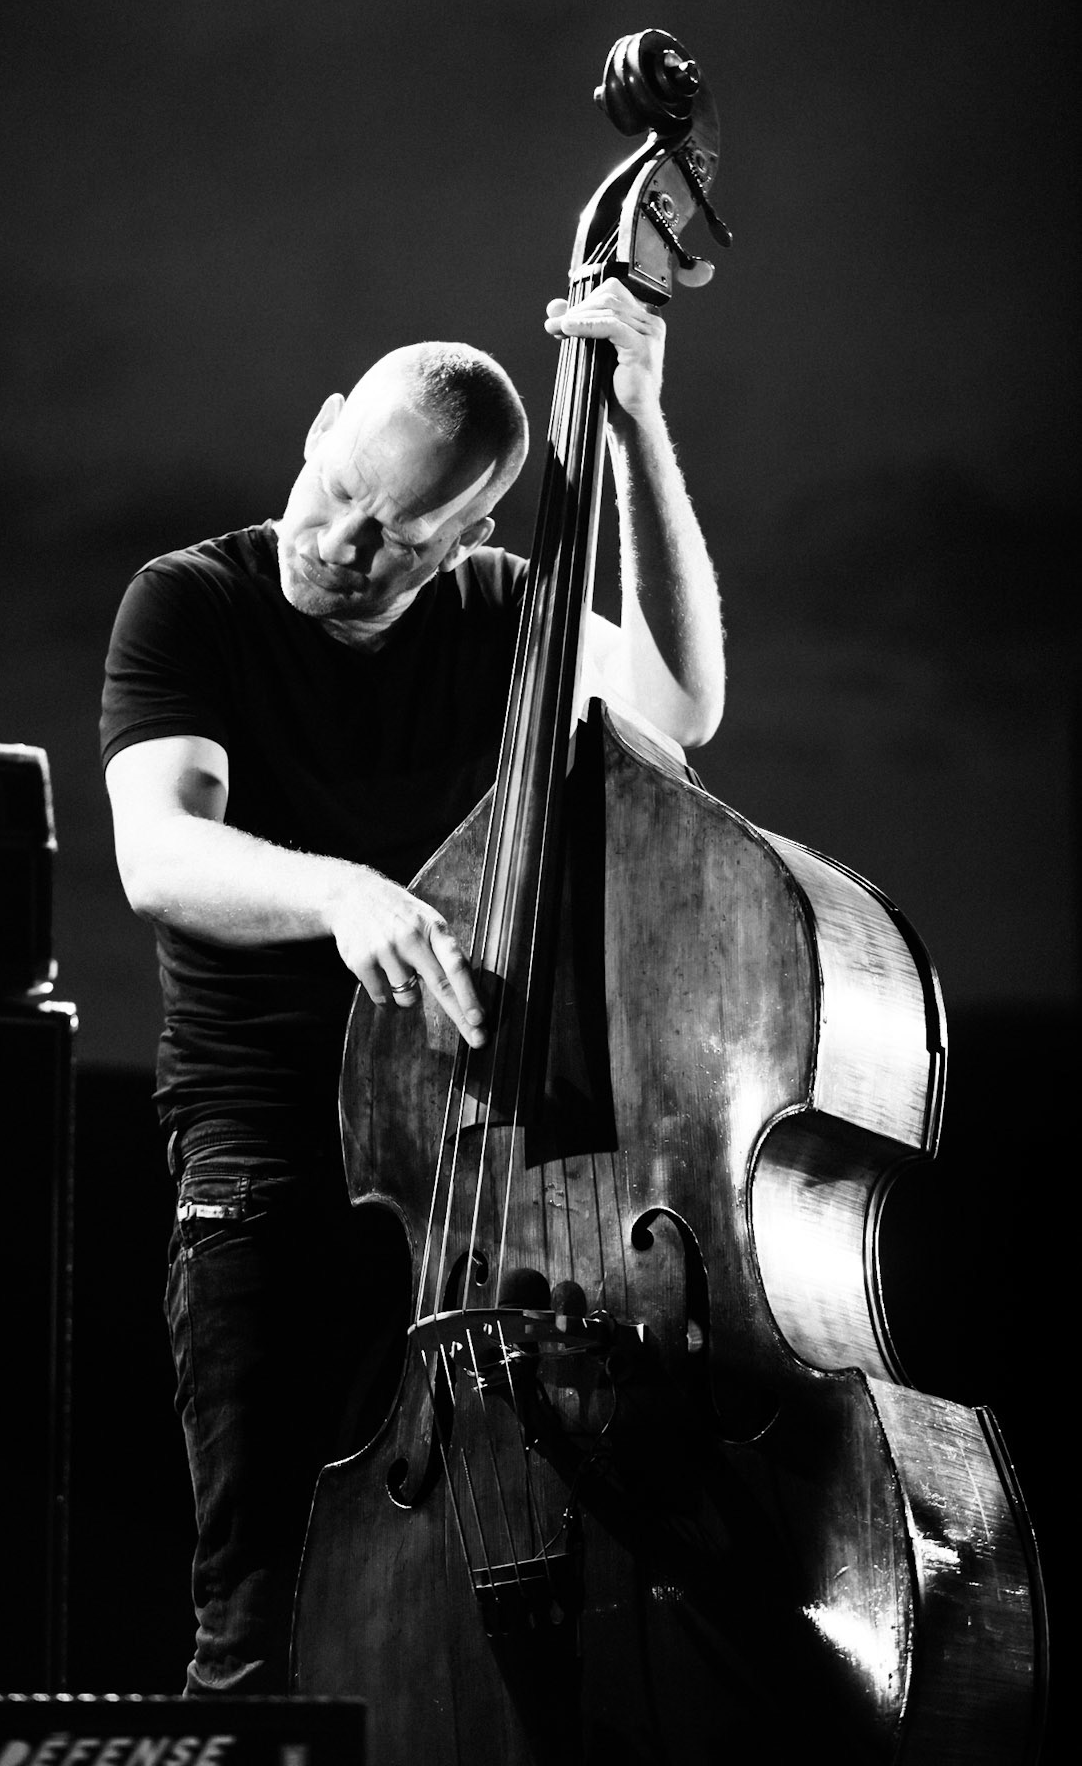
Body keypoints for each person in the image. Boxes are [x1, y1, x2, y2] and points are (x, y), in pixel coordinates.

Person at [100, 278, 725, 1695]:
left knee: (459, 1617)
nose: (341, 545)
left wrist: (632, 428)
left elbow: (682, 719)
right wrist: (336, 892)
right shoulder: (187, 603)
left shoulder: (510, 614)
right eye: (332, 494)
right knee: (254, 1622)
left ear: (469, 539)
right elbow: (159, 851)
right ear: (321, 430)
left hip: (467, 1167)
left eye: (396, 535)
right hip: (265, 1138)